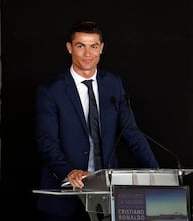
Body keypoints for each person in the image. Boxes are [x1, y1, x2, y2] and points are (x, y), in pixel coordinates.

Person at [34, 20, 159, 221]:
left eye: (93, 46)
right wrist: (69, 172)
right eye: (80, 46)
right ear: (69, 48)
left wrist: (156, 174)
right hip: (65, 196)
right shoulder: (50, 91)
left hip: (108, 196)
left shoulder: (113, 84)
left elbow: (131, 132)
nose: (87, 54)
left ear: (101, 48)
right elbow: (46, 140)